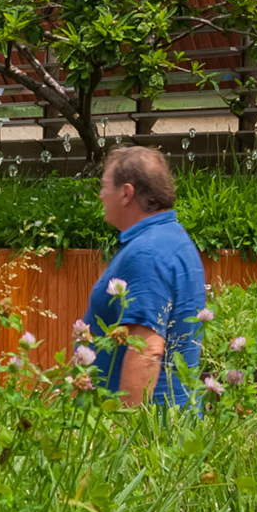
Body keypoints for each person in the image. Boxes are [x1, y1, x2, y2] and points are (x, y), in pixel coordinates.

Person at [79, 146, 208, 407]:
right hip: (170, 421)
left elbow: (146, 350)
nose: (101, 195)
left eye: (105, 186)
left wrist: (124, 426)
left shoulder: (148, 253)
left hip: (145, 424)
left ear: (126, 193)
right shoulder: (173, 239)